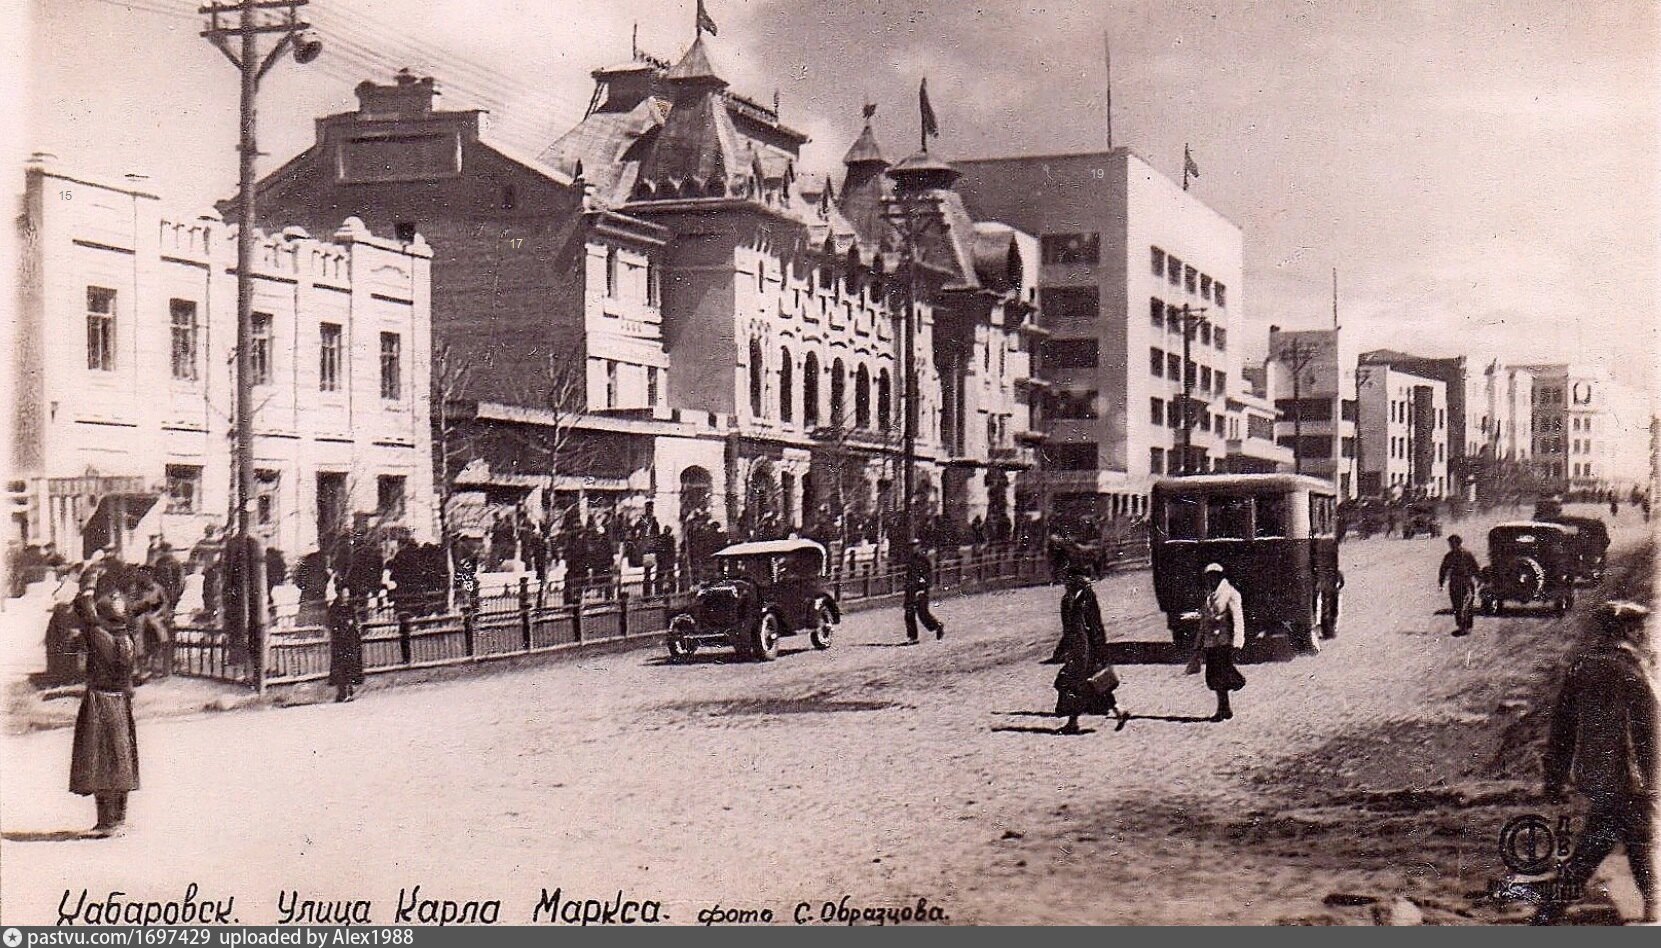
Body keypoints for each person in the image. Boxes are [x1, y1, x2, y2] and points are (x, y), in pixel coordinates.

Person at [1534, 600, 1656, 925]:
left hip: (1601, 780)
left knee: (1595, 849)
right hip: (1634, 782)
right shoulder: (1633, 671)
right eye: (1641, 628)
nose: (1645, 633)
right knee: (1642, 848)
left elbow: (1562, 727)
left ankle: (1546, 916)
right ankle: (1653, 915)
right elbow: (1648, 732)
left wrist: (1555, 779)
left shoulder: (1582, 667)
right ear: (1629, 630)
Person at [68, 586, 141, 838]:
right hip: (121, 702)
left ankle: (106, 822)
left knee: (100, 760)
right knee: (121, 759)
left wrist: (87, 585)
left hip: (99, 701)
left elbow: (83, 607)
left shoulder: (100, 636)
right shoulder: (127, 639)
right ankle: (119, 819)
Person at [1052, 563, 1123, 734]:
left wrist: (1101, 652)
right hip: (1078, 650)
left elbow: (1096, 626)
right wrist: (1062, 648)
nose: (1066, 582)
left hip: (1086, 651)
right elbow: (1068, 628)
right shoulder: (1069, 599)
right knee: (1093, 685)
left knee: (1081, 685)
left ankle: (1073, 723)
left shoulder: (1087, 598)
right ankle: (1119, 712)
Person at [1192, 563, 1246, 722]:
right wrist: (1198, 644)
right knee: (1214, 677)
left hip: (1224, 641)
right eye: (1208, 577)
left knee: (1222, 675)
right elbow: (1203, 623)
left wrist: (1238, 641)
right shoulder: (1209, 596)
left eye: (1214, 576)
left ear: (1220, 576)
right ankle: (1225, 708)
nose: (1210, 580)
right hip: (1211, 643)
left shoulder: (1230, 593)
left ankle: (1224, 708)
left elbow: (1238, 618)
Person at [1438, 534, 1482, 637]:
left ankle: (1467, 626)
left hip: (1466, 582)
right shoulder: (1449, 556)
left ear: (1458, 543)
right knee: (1456, 605)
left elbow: (1475, 567)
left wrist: (1479, 579)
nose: (1451, 546)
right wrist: (1441, 582)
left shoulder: (1467, 554)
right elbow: (1443, 570)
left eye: (1453, 544)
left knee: (1467, 605)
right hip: (1454, 583)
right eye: (1450, 544)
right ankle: (1461, 626)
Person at [903, 542, 944, 643]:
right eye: (911, 546)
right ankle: (913, 637)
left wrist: (922, 587)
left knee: (922, 613)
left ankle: (937, 626)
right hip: (911, 589)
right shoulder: (910, 560)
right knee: (909, 612)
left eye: (914, 546)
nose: (912, 548)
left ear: (918, 547)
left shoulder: (923, 559)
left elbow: (927, 575)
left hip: (921, 589)